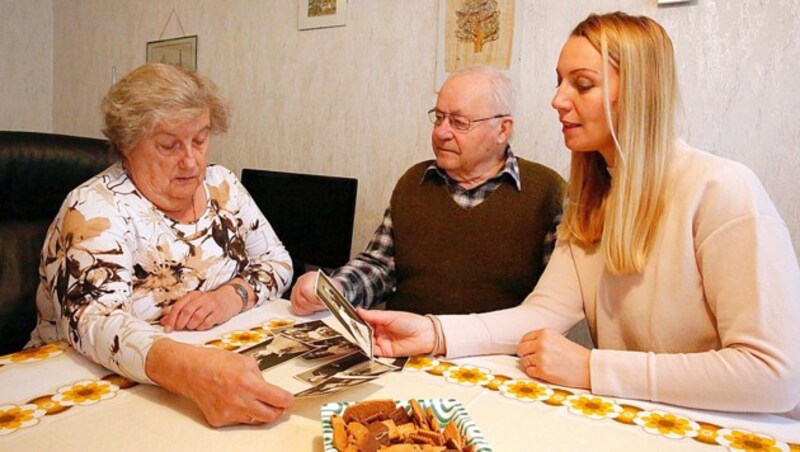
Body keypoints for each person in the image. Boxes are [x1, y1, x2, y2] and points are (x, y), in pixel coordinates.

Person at [358, 12, 800, 418]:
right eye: (559, 82)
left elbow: (775, 377)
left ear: (640, 92)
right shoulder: (592, 201)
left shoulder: (722, 189)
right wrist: (434, 333)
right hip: (631, 420)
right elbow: (542, 314)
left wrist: (593, 368)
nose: (557, 100)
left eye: (582, 85)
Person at [27, 63, 295, 426]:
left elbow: (277, 260)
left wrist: (231, 296)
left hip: (204, 369)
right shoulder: (94, 207)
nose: (191, 160)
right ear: (127, 145)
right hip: (81, 385)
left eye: (200, 139)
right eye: (169, 145)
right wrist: (191, 370)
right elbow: (94, 322)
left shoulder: (223, 185)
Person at [291, 65, 565, 316]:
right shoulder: (414, 183)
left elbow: (555, 304)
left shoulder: (546, 192)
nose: (441, 132)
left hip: (496, 363)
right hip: (406, 352)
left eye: (459, 122)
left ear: (503, 129)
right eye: (439, 118)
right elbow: (379, 266)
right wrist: (335, 288)